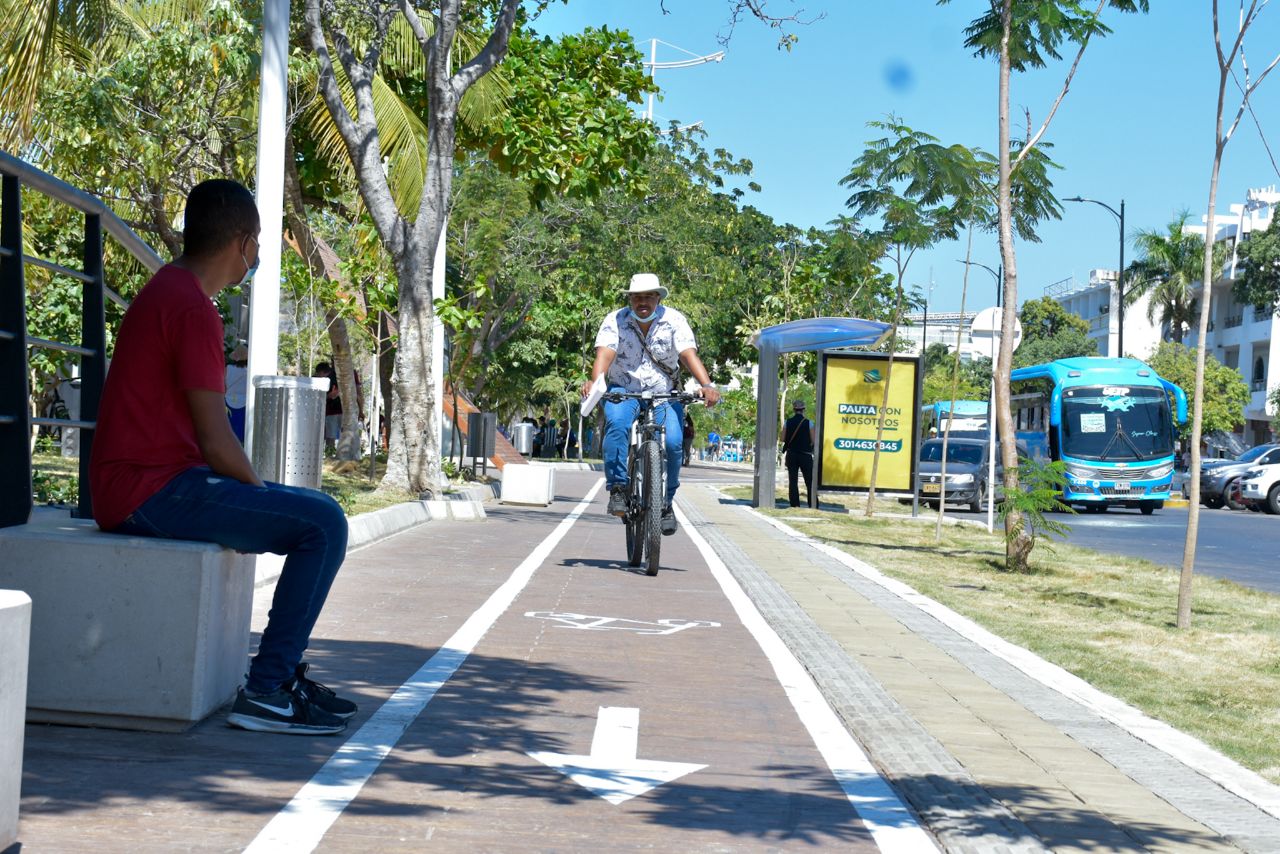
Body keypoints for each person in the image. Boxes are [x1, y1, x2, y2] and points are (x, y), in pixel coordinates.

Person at [89, 179, 355, 736]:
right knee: (323, 523)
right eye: (258, 243)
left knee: (307, 511)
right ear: (242, 242)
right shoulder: (192, 309)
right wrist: (258, 494)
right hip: (148, 491)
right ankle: (268, 691)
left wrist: (255, 497)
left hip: (143, 485)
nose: (256, 255)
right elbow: (215, 440)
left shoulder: (170, 290)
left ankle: (278, 681)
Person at [580, 273, 720, 535]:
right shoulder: (615, 320)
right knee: (617, 425)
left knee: (674, 442)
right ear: (630, 300)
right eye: (637, 297)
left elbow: (688, 354)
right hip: (624, 389)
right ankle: (618, 488)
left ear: (658, 298)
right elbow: (604, 355)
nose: (642, 301)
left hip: (664, 392)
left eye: (648, 296)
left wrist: (707, 385)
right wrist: (595, 382)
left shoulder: (675, 320)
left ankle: (666, 504)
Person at [781, 399, 816, 508]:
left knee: (793, 481)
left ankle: (795, 504)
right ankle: (813, 503)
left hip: (792, 454)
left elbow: (782, 438)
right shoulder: (809, 423)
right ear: (803, 409)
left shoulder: (787, 422)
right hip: (805, 455)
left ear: (794, 409)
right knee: (809, 481)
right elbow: (814, 440)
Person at [224, 344, 248, 443]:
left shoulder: (228, 368)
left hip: (227, 402)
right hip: (245, 403)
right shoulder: (250, 370)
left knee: (228, 432)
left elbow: (223, 386)